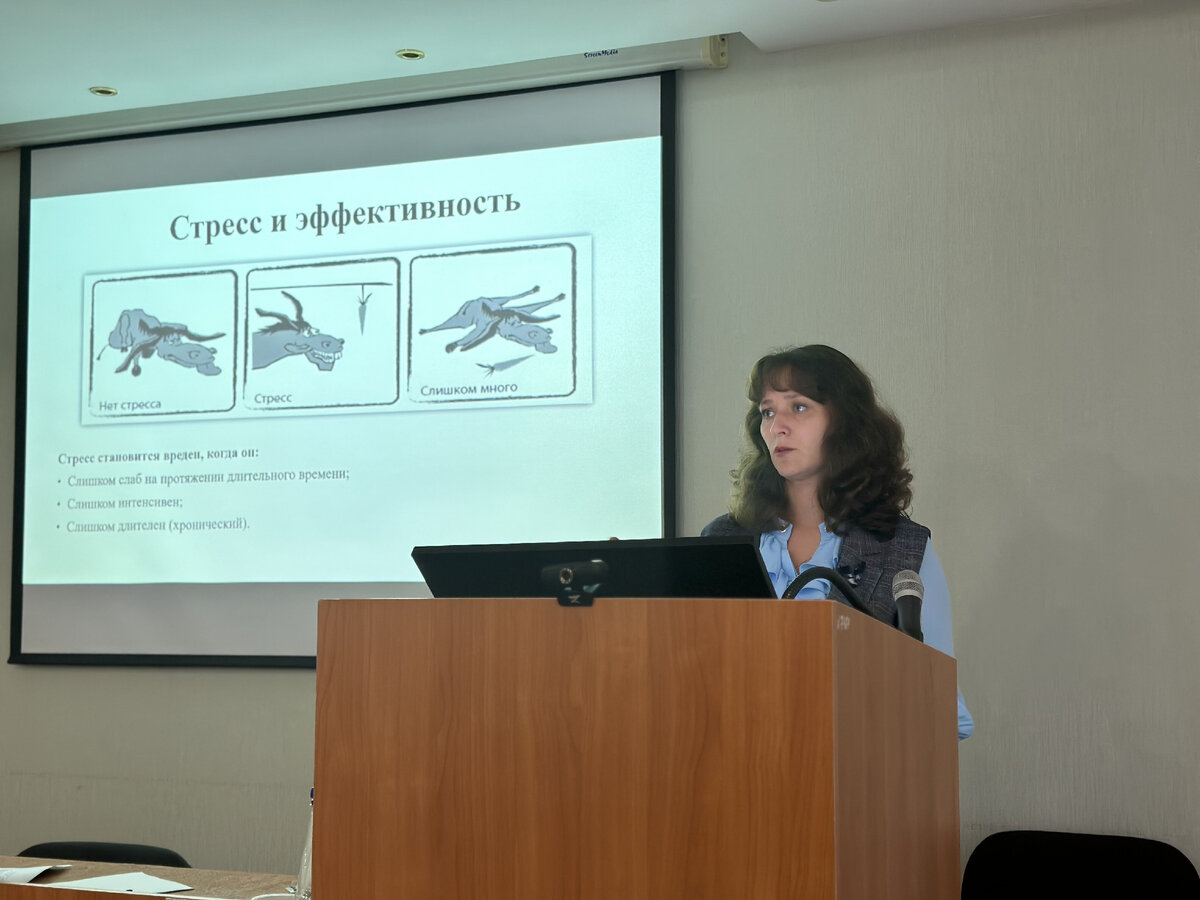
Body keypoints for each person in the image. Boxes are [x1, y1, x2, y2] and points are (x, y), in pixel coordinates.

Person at [703, 345, 974, 739]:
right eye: (767, 412)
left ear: (844, 423)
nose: (777, 427)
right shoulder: (722, 540)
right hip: (736, 757)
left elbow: (944, 712)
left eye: (798, 407)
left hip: (854, 764)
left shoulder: (901, 547)